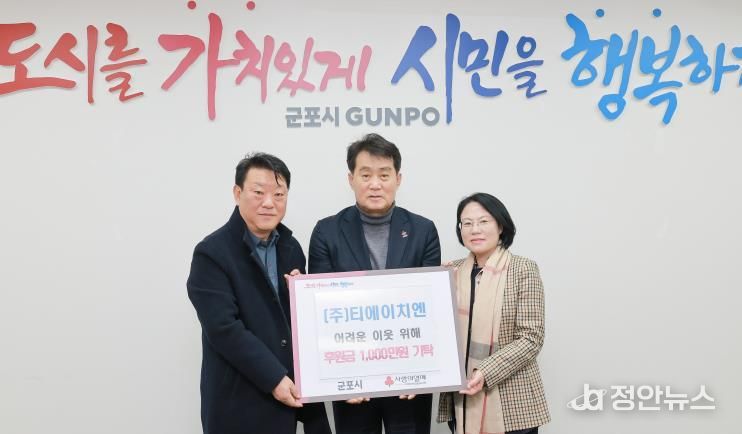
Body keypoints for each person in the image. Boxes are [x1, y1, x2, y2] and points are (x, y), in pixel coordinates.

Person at [187, 153, 331, 434]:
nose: (269, 202)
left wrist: (303, 298)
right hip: (239, 399)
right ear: (237, 193)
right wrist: (275, 378)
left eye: (279, 194)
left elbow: (299, 325)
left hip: (290, 396)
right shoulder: (211, 253)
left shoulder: (291, 248)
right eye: (258, 192)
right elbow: (224, 329)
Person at [308, 133, 441, 434]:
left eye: (384, 174)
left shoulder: (423, 230)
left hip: (409, 381)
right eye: (366, 175)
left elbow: (431, 310)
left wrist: (420, 373)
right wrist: (340, 378)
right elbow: (320, 313)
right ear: (351, 179)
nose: (375, 184)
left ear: (398, 179)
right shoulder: (327, 232)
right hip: (352, 381)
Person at [437, 193, 550, 434]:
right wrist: (437, 289)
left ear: (500, 226)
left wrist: (485, 372)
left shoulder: (523, 269)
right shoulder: (451, 272)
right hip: (461, 401)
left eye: (483, 221)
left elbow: (531, 338)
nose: (475, 229)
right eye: (467, 223)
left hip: (513, 405)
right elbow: (436, 333)